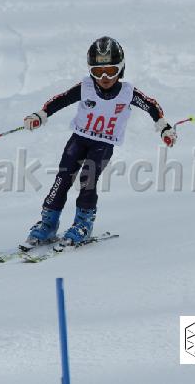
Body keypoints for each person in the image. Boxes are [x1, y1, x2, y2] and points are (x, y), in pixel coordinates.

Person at [21, 36, 176, 246]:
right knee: (63, 179)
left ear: (121, 69)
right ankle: (48, 224)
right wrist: (40, 115)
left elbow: (151, 105)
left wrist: (164, 127)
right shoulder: (85, 87)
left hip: (103, 144)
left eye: (111, 71)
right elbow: (61, 100)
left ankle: (83, 224)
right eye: (97, 71)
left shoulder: (127, 93)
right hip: (79, 139)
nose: (104, 77)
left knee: (88, 179)